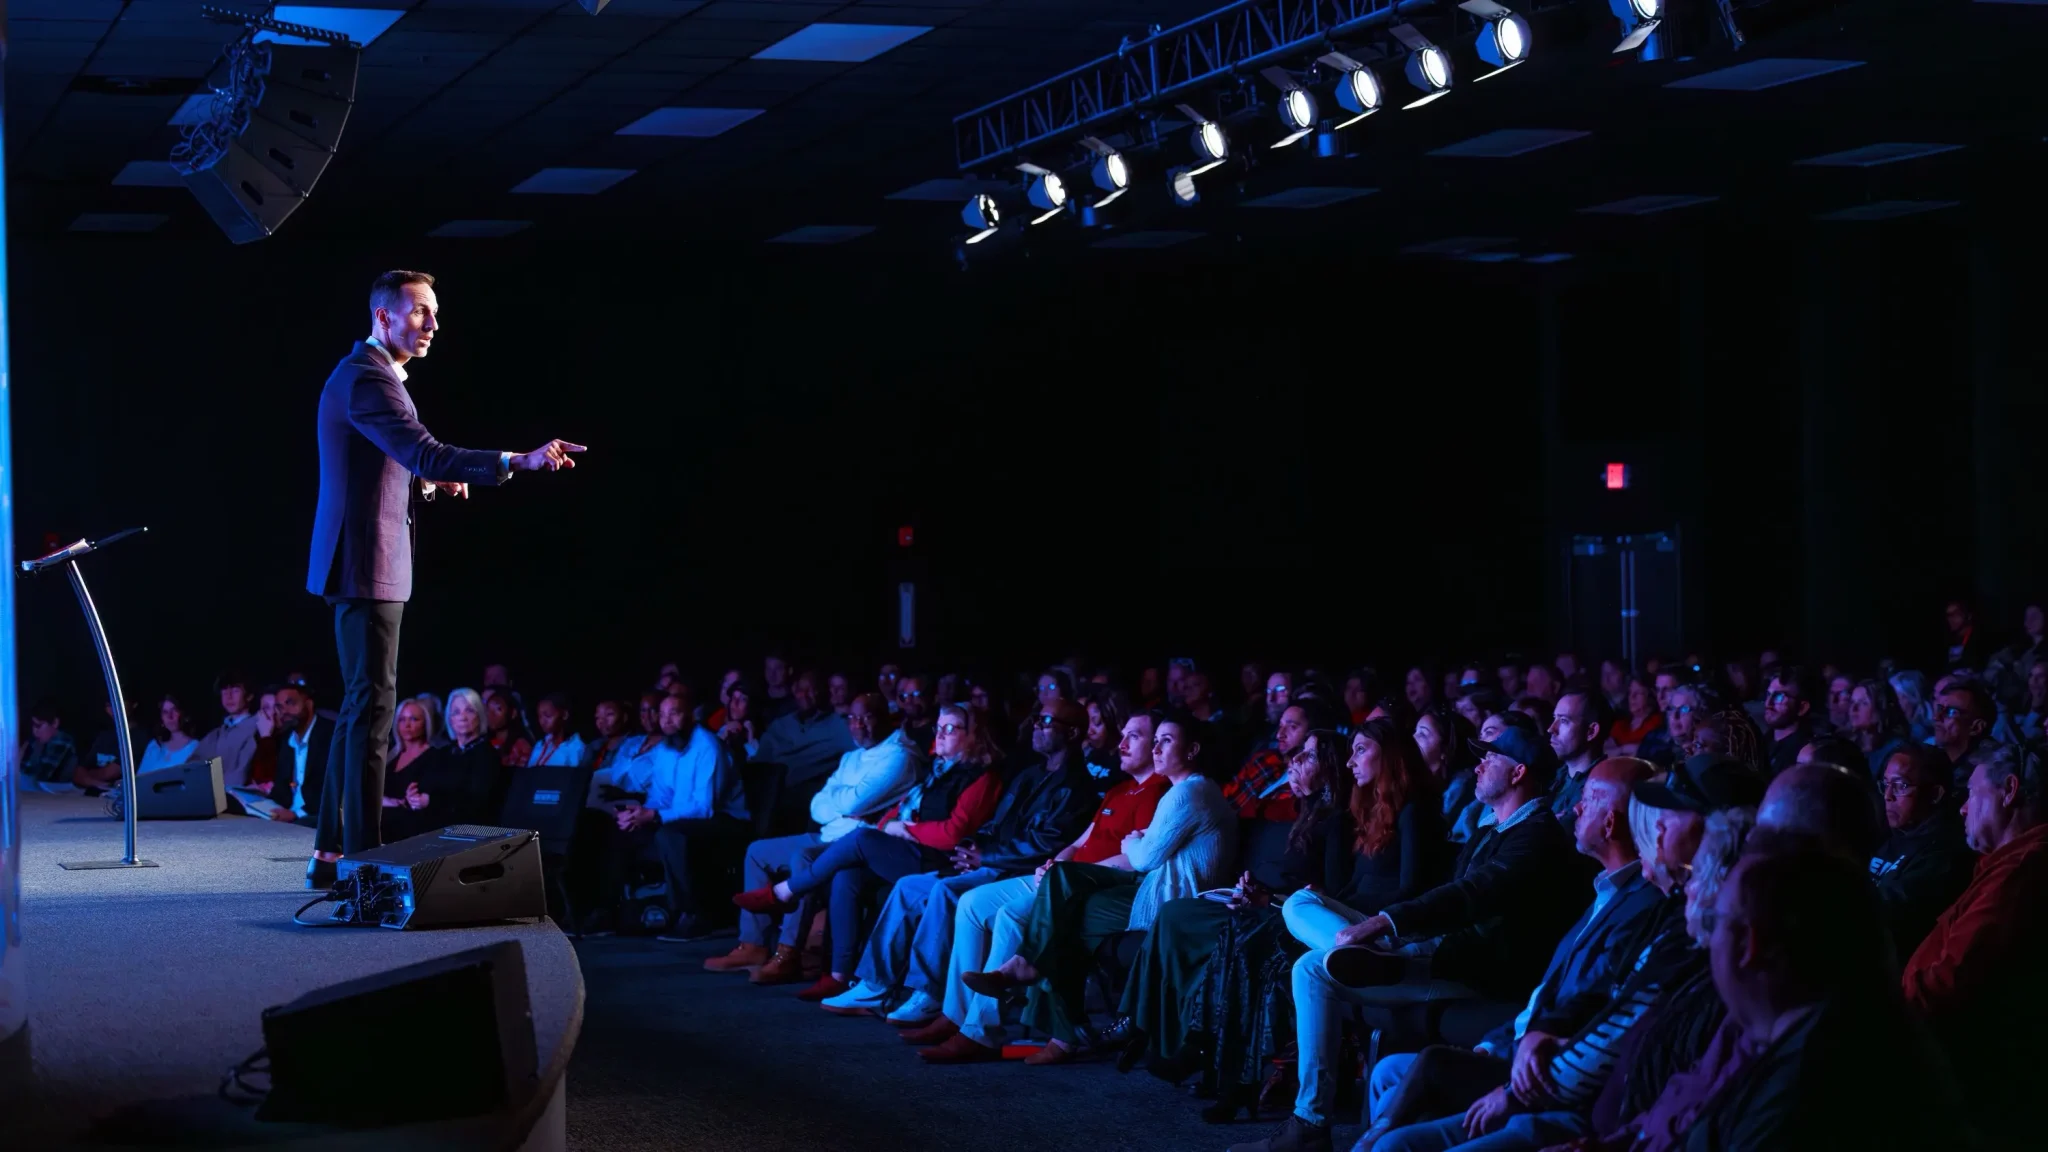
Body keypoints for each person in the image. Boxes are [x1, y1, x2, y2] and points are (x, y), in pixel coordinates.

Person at [304, 269, 583, 887]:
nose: (433, 324)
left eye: (434, 312)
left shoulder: (367, 375)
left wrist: (427, 482)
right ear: (383, 317)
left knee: (358, 709)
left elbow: (386, 463)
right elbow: (423, 450)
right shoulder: (368, 378)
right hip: (365, 564)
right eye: (419, 312)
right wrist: (517, 460)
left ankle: (331, 856)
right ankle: (363, 863)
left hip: (361, 561)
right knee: (372, 711)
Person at [1230, 728, 1590, 1152]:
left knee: (1313, 966)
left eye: (1490, 759)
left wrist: (1385, 923)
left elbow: (1472, 894)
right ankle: (1312, 1116)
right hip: (1436, 948)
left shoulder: (1537, 836)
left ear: (1518, 773)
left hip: (1470, 971)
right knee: (1299, 910)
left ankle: (1310, 1122)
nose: (1478, 765)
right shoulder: (1492, 829)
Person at [1355, 758, 1662, 1152]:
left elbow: (1590, 1013)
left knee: (1397, 1134)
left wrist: (1512, 1085)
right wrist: (1494, 1044)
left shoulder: (1636, 904)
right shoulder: (1601, 892)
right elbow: (1548, 994)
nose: (1575, 807)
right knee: (1388, 1072)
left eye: (1587, 800)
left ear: (1611, 824)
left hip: (1546, 1080)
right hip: (1513, 1047)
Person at [1142, 720, 1444, 1120]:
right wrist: (1326, 902)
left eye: (1360, 750)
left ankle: (1230, 1075)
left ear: (1389, 756)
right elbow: (1352, 887)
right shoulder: (1372, 812)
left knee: (1274, 929)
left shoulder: (1414, 810)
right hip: (1348, 925)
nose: (1351, 761)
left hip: (1385, 930)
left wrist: (1328, 905)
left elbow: (1411, 890)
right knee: (1246, 932)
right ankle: (1220, 1065)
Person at [959, 710, 1236, 1065]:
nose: (1156, 749)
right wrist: (1134, 843)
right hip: (1155, 888)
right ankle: (1038, 987)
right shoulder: (1182, 791)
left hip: (1170, 901)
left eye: (1166, 741)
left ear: (1192, 749)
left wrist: (1133, 841)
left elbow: (1144, 858)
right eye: (1155, 741)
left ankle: (1061, 1025)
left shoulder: (1188, 793)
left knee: (1066, 918)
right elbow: (1137, 849)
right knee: (1062, 881)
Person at [911, 709, 1171, 1063]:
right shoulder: (1118, 790)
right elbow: (1080, 841)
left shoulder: (1158, 793)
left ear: (1156, 745)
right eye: (1122, 734)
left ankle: (979, 1031)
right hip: (1063, 877)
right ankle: (955, 1014)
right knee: (971, 904)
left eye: (1134, 737)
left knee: (1009, 916)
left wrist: (1071, 873)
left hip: (1087, 886)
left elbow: (1138, 860)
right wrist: (1056, 862)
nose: (1121, 744)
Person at [823, 699, 1098, 1021]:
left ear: (1073, 733)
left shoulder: (1077, 786)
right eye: (1037, 718)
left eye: (1047, 721)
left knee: (944, 891)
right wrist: (972, 846)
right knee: (909, 887)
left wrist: (986, 855)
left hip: (1018, 870)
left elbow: (1047, 842)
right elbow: (995, 823)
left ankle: (927, 993)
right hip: (991, 861)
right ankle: (875, 985)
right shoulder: (1030, 774)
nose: (1036, 725)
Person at [733, 701, 1000, 1000]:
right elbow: (898, 811)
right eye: (938, 728)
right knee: (847, 874)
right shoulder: (937, 771)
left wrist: (907, 829)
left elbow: (953, 833)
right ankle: (839, 975)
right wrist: (890, 825)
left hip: (940, 859)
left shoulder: (982, 777)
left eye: (950, 728)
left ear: (973, 734)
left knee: (861, 838)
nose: (939, 734)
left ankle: (787, 891)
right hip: (910, 848)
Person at [706, 692, 923, 981]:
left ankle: (787, 953)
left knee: (803, 857)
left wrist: (845, 804)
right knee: (757, 852)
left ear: (885, 718)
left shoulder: (898, 756)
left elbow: (853, 803)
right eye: (852, 718)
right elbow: (817, 806)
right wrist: (845, 807)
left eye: (866, 717)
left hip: (853, 844)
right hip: (828, 833)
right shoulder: (851, 757)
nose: (858, 725)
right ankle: (753, 945)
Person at [1902, 744, 2048, 1148]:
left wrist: (1883, 1013)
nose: (1963, 808)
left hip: (1970, 1080)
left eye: (1971, 793)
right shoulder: (2005, 865)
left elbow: (1951, 979)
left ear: (2009, 790)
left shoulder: (2022, 871)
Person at [607, 693, 746, 941]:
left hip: (725, 820)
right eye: (662, 714)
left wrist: (655, 815)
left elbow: (704, 808)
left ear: (690, 716)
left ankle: (693, 915)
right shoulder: (665, 748)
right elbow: (660, 796)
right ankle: (612, 912)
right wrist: (638, 814)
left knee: (670, 834)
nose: (666, 720)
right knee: (617, 829)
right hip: (681, 817)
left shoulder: (707, 747)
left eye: (674, 713)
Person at [1867, 745, 1975, 957]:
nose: (1888, 796)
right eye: (1886, 784)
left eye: (1901, 786)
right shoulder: (1893, 831)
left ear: (1935, 794)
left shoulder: (1945, 852)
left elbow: (1892, 910)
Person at [749, 670, 859, 828]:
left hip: (804, 796)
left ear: (820, 692)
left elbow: (863, 746)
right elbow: (759, 763)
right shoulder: (780, 725)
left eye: (811, 690)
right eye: (801, 690)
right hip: (767, 793)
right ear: (794, 691)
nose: (805, 695)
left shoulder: (837, 726)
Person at [380, 698, 445, 841]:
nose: (407, 725)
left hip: (411, 830)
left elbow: (431, 798)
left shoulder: (435, 756)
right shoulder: (390, 755)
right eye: (402, 719)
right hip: (382, 826)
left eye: (414, 719)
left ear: (426, 723)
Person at [440, 687, 505, 824]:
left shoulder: (487, 756)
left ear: (480, 715)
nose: (462, 717)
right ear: (450, 719)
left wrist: (432, 800)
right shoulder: (443, 754)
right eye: (456, 712)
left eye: (469, 710)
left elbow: (477, 801)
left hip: (472, 827)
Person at [1547, 692, 1612, 819]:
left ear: (1591, 731)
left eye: (1564, 721)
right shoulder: (1556, 777)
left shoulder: (1600, 788)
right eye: (1554, 718)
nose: (1551, 729)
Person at [1415, 703, 1478, 834]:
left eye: (1422, 734)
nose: (1413, 738)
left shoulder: (1461, 793)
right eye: (1415, 732)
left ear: (1445, 750)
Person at [273, 682, 330, 826]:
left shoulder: (331, 736)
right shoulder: (287, 739)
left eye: (290, 703)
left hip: (318, 817)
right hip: (289, 816)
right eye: (279, 706)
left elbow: (334, 790)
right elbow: (281, 788)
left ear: (309, 705)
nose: (284, 711)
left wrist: (296, 814)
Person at [193, 670, 262, 788]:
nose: (228, 696)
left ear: (249, 695)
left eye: (235, 690)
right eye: (224, 690)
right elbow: (192, 766)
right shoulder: (216, 734)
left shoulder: (256, 727)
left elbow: (240, 775)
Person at [1931, 679, 2001, 778]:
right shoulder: (1934, 762)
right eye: (1939, 709)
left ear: (1976, 727)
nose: (1936, 717)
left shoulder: (1988, 774)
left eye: (1951, 712)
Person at [1845, 677, 1911, 779]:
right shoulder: (1848, 746)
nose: (1854, 709)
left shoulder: (1898, 751)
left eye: (1864, 703)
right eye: (1852, 702)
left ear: (1882, 708)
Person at [1759, 667, 1820, 776]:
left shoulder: (1805, 754)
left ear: (1802, 708)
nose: (1768, 703)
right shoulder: (1762, 741)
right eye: (1768, 694)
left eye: (1779, 697)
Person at [138, 693, 201, 776]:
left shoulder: (194, 748)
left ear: (182, 713)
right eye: (165, 712)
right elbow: (139, 778)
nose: (170, 716)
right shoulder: (154, 746)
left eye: (174, 710)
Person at [526, 693, 586, 767]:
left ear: (564, 715)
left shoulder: (575, 747)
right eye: (540, 716)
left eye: (548, 715)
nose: (542, 721)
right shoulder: (540, 745)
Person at [1607, 676, 1661, 756]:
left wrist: (1619, 751)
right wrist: (1624, 749)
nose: (1632, 697)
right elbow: (1606, 752)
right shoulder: (1620, 725)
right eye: (1630, 692)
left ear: (1650, 695)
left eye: (1638, 693)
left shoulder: (1657, 722)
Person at [486, 688, 533, 768]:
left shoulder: (522, 746)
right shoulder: (484, 742)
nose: (491, 714)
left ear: (513, 713)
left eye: (498, 709)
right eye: (488, 709)